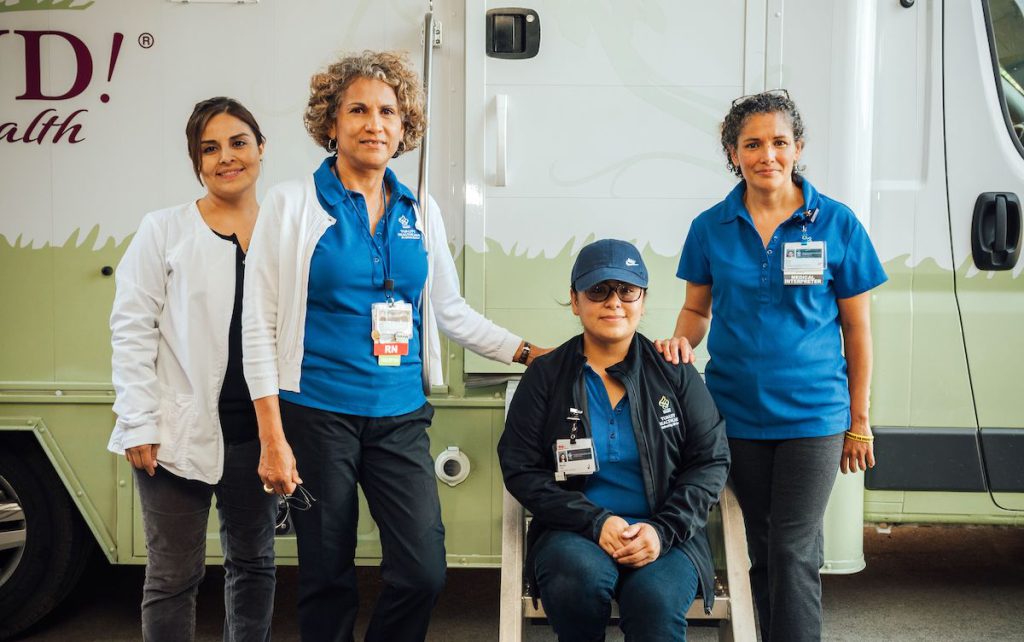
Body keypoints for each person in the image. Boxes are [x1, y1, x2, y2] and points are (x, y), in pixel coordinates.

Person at [242, 50, 546, 642]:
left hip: (399, 413)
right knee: (327, 577)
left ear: (404, 128)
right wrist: (272, 437)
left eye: (388, 111)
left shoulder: (418, 208)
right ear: (330, 124)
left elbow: (449, 310)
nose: (374, 123)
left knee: (423, 570)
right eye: (357, 109)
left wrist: (533, 353)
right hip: (317, 411)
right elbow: (258, 321)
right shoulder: (291, 203)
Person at [657, 90, 888, 642]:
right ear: (733, 154)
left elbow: (857, 330)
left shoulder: (837, 224)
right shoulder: (711, 226)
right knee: (757, 545)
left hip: (815, 416)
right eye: (753, 144)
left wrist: (860, 420)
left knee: (792, 546)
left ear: (798, 147)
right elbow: (696, 309)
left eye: (779, 142)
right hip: (734, 414)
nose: (768, 155)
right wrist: (677, 344)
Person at [498, 239, 730, 642]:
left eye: (627, 290)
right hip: (573, 532)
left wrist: (661, 531)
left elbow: (710, 462)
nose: (614, 302)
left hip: (667, 533)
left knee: (655, 601)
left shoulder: (674, 373)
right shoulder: (546, 376)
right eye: (598, 291)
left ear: (642, 299)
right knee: (578, 579)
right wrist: (595, 521)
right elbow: (520, 468)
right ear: (575, 301)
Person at [108, 97, 276, 641]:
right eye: (210, 148)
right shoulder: (163, 230)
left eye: (238, 143)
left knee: (254, 566)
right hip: (174, 433)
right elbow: (131, 329)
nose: (226, 157)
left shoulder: (284, 232)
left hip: (258, 433)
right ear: (196, 162)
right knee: (173, 575)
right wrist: (138, 422)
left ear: (260, 150)